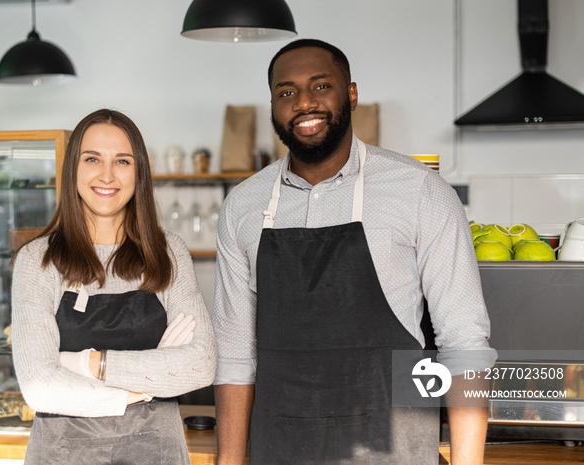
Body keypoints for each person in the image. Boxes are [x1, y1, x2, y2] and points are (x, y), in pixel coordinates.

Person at [212, 39, 497, 465]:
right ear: (273, 105)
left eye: (321, 86)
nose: (304, 102)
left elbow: (464, 347)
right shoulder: (244, 206)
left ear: (351, 93)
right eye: (286, 92)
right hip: (280, 448)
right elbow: (235, 360)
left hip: (394, 450)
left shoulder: (420, 191)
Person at [11, 108, 216, 464]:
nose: (107, 175)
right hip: (62, 456)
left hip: (157, 453)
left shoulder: (169, 253)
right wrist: (138, 391)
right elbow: (40, 387)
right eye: (92, 159)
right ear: (72, 167)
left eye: (122, 161)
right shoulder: (37, 261)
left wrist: (87, 364)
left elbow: (201, 364)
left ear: (139, 173)